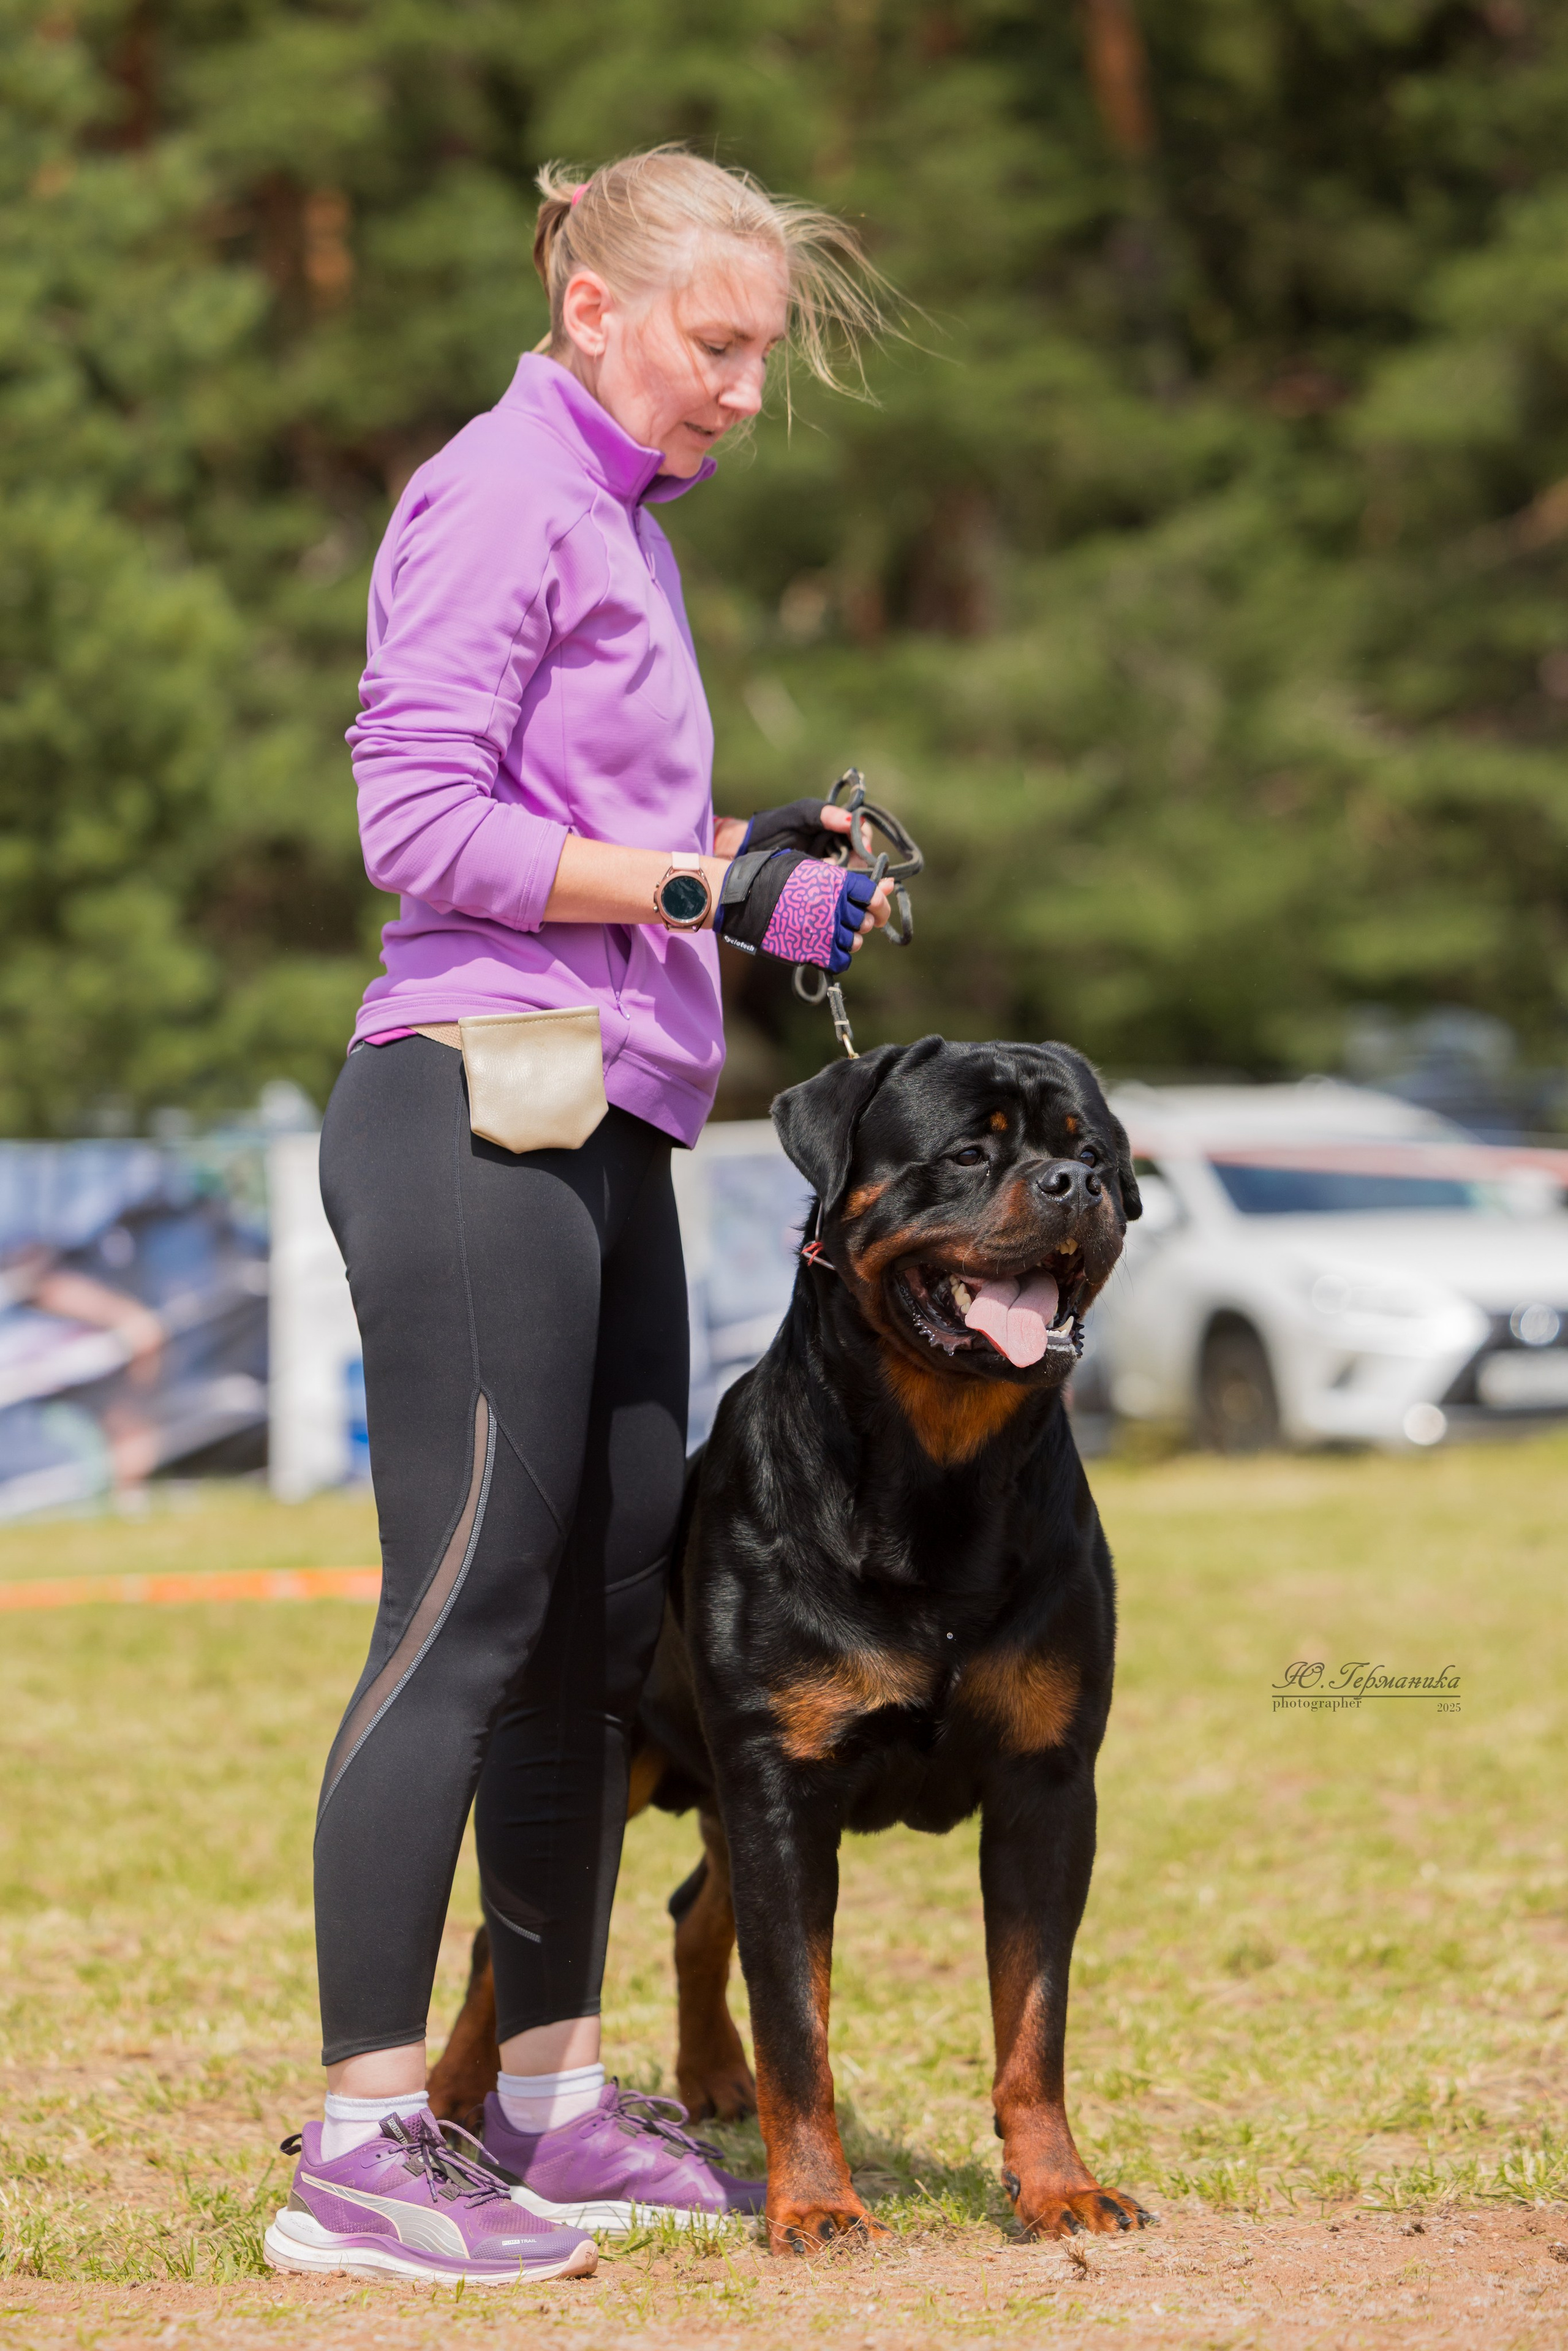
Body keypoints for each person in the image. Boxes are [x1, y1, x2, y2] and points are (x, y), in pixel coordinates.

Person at [264, 147, 894, 2289]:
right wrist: (710, 884)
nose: (742, 388)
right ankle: (359, 2150)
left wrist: (761, 859)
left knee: (597, 1634)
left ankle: (544, 2105)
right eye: (718, 345)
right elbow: (416, 822)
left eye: (761, 356)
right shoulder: (498, 492)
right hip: (468, 1109)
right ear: (598, 307)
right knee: (460, 1610)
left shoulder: (619, 522)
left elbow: (605, 827)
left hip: (616, 1122)